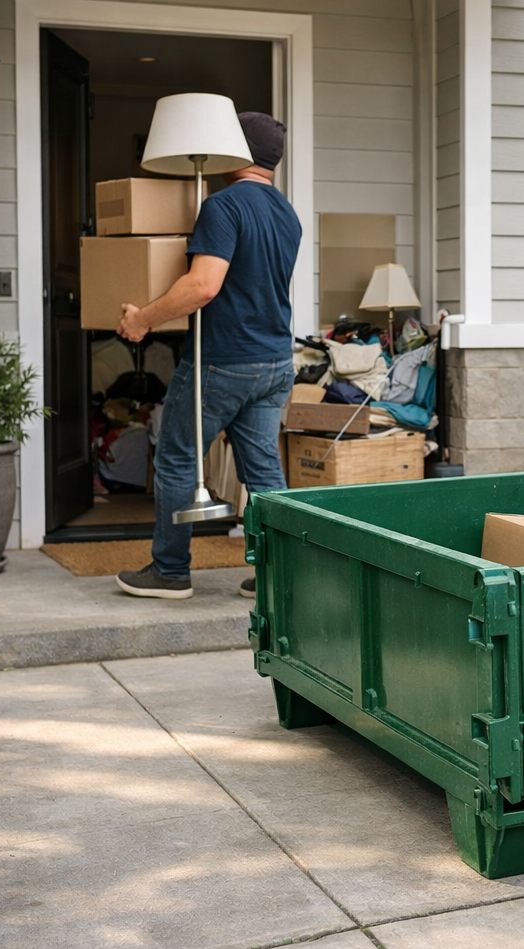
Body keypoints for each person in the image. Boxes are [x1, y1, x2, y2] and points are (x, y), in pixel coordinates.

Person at [114, 112, 300, 600]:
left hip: (223, 361)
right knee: (263, 472)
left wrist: (143, 320)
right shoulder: (287, 213)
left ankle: (170, 570)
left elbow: (203, 286)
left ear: (236, 150)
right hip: (276, 362)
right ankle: (278, 576)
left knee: (176, 457)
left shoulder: (223, 206)